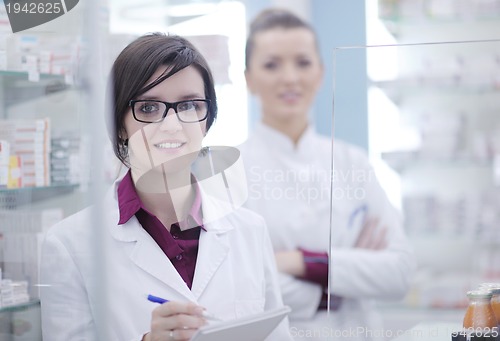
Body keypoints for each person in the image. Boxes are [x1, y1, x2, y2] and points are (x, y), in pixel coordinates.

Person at [39, 33, 292, 341]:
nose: (172, 124)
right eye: (148, 108)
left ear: (207, 118)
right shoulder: (69, 245)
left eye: (189, 106)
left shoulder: (250, 230)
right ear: (120, 123)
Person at [239, 8, 416, 340]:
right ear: (249, 79)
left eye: (303, 63)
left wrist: (302, 262)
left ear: (321, 73)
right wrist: (346, 279)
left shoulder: (353, 162)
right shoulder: (230, 173)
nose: (290, 77)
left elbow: (400, 273)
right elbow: (243, 282)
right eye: (271, 64)